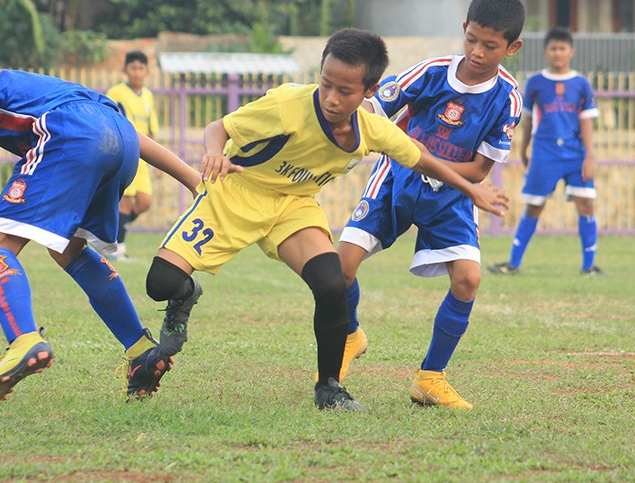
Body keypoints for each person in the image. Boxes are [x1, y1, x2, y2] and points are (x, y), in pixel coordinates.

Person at [138, 28, 511, 412]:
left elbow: (420, 157)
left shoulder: (372, 129)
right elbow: (219, 128)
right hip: (236, 193)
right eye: (325, 84)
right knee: (160, 283)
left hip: (294, 206)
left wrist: (473, 190)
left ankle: (330, 389)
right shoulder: (287, 104)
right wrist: (214, 154)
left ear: (369, 91)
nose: (332, 98)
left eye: (345, 91)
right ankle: (184, 296)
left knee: (332, 282)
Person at [0, 64, 200, 407]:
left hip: (73, 135)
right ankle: (140, 350)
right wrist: (193, 179)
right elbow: (131, 135)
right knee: (68, 249)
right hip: (118, 143)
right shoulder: (45, 89)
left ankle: (23, 340)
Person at [337, 0, 526, 410]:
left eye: (490, 45)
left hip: (454, 194)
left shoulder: (508, 99)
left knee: (468, 278)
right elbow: (373, 110)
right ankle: (350, 335)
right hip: (395, 178)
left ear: (512, 48)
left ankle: (430, 377)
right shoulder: (431, 72)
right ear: (464, 30)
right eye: (472, 39)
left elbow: (478, 172)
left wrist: (425, 160)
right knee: (341, 266)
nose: (477, 52)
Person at [487, 26, 600, 276]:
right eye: (553, 48)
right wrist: (524, 149)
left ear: (571, 51)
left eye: (562, 48)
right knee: (534, 206)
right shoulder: (536, 82)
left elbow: (586, 120)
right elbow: (527, 119)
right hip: (544, 152)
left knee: (586, 204)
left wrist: (590, 156)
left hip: (575, 152)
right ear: (546, 51)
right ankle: (513, 263)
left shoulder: (581, 83)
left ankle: (589, 266)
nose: (558, 53)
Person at [106, 51, 159, 260]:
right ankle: (118, 247)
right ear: (125, 70)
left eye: (141, 68)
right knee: (125, 201)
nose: (137, 73)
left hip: (143, 156)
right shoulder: (116, 92)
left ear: (147, 71)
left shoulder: (148, 95)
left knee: (144, 202)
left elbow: (151, 129)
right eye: (133, 68)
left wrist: (156, 161)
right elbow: (108, 118)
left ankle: (110, 231)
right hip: (124, 152)